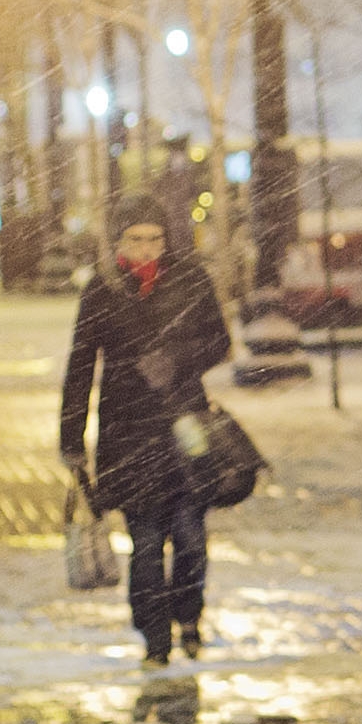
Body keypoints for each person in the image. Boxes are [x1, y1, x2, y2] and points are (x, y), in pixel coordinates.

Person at [60, 192, 236, 663]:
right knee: (145, 543)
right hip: (127, 431)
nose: (146, 250)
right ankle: (154, 636)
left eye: (155, 239)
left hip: (185, 428)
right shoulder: (102, 289)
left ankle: (189, 617)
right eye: (136, 240)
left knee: (191, 536)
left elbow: (220, 342)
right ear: (119, 241)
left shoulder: (191, 279)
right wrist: (71, 440)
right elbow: (80, 366)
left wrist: (177, 358)